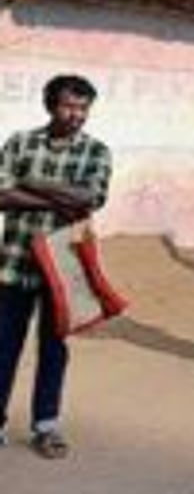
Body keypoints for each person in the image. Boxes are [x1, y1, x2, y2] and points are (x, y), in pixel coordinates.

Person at [0, 75, 112, 459]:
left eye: (82, 108)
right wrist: (58, 196)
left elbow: (89, 199)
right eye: (68, 106)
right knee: (2, 346)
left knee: (54, 347)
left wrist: (30, 184)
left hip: (66, 267)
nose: (76, 115)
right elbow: (0, 194)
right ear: (51, 105)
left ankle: (45, 426)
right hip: (15, 262)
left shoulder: (97, 151)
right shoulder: (20, 142)